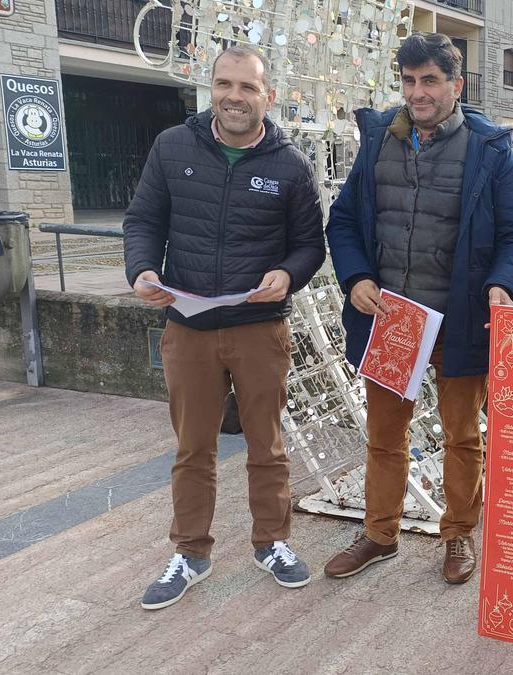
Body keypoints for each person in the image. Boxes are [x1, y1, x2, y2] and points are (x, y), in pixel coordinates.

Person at [323, 32, 513, 585]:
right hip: (393, 320)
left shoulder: (490, 148)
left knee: (463, 436)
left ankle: (459, 533)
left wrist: (502, 285)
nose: (418, 93)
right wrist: (356, 277)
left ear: (456, 85)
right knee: (385, 436)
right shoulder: (377, 139)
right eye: (410, 81)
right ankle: (379, 534)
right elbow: (343, 222)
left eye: (430, 81)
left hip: (461, 321)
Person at [124, 46, 326, 609]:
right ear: (211, 88)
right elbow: (144, 220)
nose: (234, 97)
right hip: (187, 325)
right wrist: (141, 270)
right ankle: (191, 551)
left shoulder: (290, 164)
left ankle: (272, 543)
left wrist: (287, 274)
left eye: (247, 87)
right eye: (224, 85)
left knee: (267, 444)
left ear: (268, 96)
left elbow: (311, 242)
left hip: (260, 327)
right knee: (193, 447)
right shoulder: (172, 148)